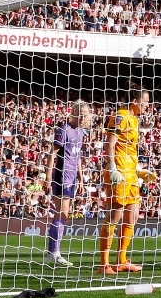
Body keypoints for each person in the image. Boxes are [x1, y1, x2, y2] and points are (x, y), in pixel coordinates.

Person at [97, 87, 152, 275]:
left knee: (133, 216)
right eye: (145, 102)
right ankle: (104, 264)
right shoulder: (120, 116)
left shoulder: (135, 120)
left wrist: (139, 171)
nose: (147, 106)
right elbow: (110, 143)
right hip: (119, 173)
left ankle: (121, 260)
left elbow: (130, 150)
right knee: (115, 216)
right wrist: (112, 167)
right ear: (135, 102)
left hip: (131, 174)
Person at [44, 100, 92, 267]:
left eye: (85, 116)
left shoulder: (81, 132)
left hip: (72, 178)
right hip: (61, 176)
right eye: (81, 115)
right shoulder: (64, 130)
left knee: (63, 216)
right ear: (74, 113)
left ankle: (53, 253)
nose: (83, 118)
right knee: (61, 215)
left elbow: (77, 157)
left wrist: (81, 178)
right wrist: (48, 177)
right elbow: (52, 154)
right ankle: (53, 253)